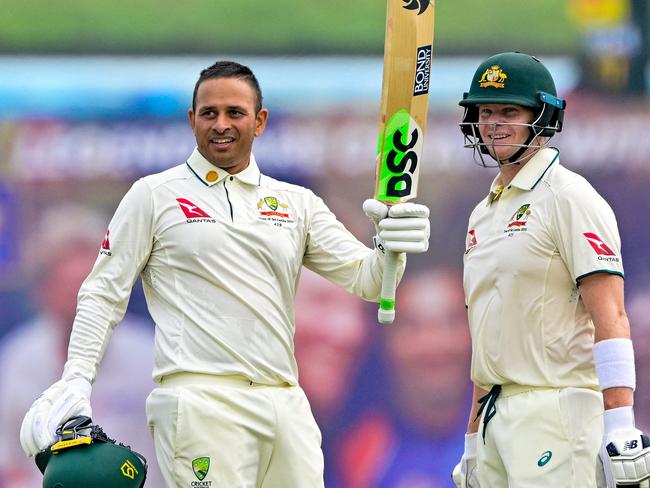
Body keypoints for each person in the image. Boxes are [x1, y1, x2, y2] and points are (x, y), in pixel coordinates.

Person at [19, 60, 430, 487]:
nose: (221, 124)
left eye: (235, 113)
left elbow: (368, 280)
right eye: (209, 113)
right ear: (191, 119)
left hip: (283, 398)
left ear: (260, 121)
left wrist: (391, 244)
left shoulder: (296, 203)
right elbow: (103, 291)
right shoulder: (154, 195)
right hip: (200, 399)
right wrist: (77, 378)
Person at [451, 51, 649, 488]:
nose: (494, 124)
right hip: (494, 420)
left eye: (509, 111)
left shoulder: (570, 197)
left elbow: (611, 315)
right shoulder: (482, 214)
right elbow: (491, 340)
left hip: (558, 414)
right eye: (485, 111)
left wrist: (620, 422)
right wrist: (471, 440)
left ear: (542, 117)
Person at [0, 204, 163, 487]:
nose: (81, 300)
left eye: (92, 286)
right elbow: (7, 464)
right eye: (69, 285)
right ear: (43, 290)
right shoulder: (17, 361)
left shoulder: (150, 356)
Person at [335, 268, 471, 488]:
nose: (433, 343)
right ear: (385, 342)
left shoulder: (509, 430)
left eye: (451, 322)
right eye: (412, 326)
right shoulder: (361, 452)